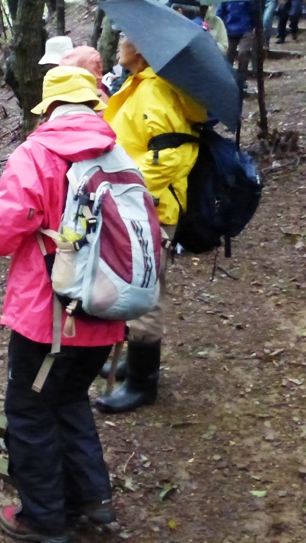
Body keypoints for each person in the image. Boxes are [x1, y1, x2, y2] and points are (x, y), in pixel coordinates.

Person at [0, 67, 122, 543]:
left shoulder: (37, 154)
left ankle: (43, 520)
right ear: (92, 103)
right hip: (107, 306)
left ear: (51, 107)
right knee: (70, 398)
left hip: (51, 317)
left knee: (30, 411)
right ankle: (92, 499)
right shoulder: (117, 151)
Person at [94, 33, 208, 414]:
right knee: (136, 284)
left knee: (147, 294)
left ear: (141, 48)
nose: (119, 42)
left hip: (151, 209)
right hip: (139, 205)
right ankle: (136, 361)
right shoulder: (139, 83)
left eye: (125, 38)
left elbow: (175, 153)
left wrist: (122, 182)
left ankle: (143, 383)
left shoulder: (155, 91)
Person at [218, 0, 256, 82]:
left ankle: (241, 79)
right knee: (228, 54)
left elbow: (254, 11)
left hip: (246, 29)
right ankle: (228, 79)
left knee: (243, 53)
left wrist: (256, 26)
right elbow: (220, 13)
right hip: (229, 30)